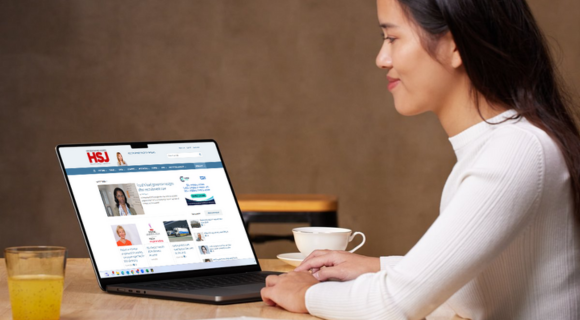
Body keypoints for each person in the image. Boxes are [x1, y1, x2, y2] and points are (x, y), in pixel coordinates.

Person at [260, 0, 580, 319]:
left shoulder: (516, 151)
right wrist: (380, 267)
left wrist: (305, 294)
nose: (381, 59)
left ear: (454, 46)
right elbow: (479, 287)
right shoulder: (508, 144)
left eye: (393, 38)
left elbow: (392, 305)